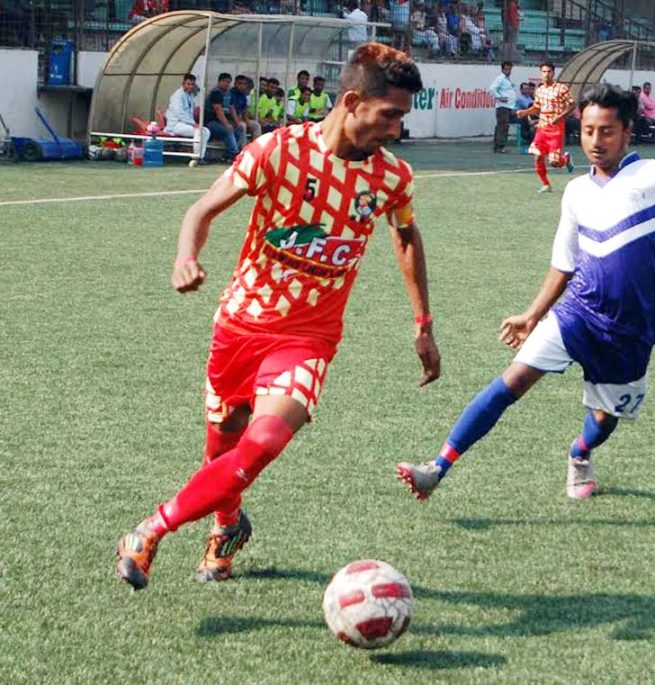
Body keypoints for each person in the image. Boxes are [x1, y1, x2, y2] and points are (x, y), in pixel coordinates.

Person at [115, 42, 441, 591]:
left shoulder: (392, 178)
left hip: (309, 336)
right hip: (240, 324)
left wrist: (424, 325)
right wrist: (186, 256)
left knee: (263, 441)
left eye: (402, 117)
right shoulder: (278, 151)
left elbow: (405, 238)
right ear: (353, 101)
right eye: (390, 114)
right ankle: (227, 527)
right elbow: (202, 209)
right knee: (224, 445)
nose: (396, 128)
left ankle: (151, 529)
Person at [397, 83, 655, 502]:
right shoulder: (576, 191)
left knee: (605, 416)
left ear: (627, 131)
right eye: (588, 130)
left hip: (629, 327)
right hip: (578, 311)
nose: (595, 141)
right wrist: (532, 315)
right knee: (511, 381)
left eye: (606, 131)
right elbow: (564, 263)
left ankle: (580, 452)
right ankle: (437, 467)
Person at [516, 62, 575, 193]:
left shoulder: (561, 89)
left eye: (549, 72)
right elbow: (537, 108)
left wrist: (560, 117)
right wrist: (525, 112)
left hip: (556, 130)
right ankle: (546, 184)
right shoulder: (540, 90)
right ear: (540, 73)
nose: (546, 74)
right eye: (544, 72)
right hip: (542, 129)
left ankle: (565, 160)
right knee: (537, 156)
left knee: (554, 162)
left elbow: (572, 105)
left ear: (553, 73)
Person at [164, 73, 211, 160]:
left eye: (192, 84)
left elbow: (198, 91)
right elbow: (180, 114)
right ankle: (196, 157)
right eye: (188, 84)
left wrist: (193, 124)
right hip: (176, 125)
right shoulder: (177, 96)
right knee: (199, 132)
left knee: (206, 131)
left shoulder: (190, 96)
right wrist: (193, 124)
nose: (190, 86)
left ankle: (201, 156)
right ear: (183, 84)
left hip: (185, 124)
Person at [204, 72, 246, 163]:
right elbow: (218, 110)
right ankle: (234, 154)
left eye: (228, 82)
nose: (226, 84)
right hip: (211, 123)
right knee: (228, 130)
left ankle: (228, 155)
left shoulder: (228, 93)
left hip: (221, 122)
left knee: (240, 128)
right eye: (224, 81)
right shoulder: (216, 92)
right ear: (219, 82)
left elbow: (232, 108)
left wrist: (237, 123)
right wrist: (227, 124)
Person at [488, 60, 516, 153]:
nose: (509, 71)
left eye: (510, 69)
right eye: (507, 69)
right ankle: (499, 146)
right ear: (503, 69)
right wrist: (499, 98)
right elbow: (492, 89)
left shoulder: (508, 79)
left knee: (503, 126)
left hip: (508, 106)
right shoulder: (500, 78)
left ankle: (500, 145)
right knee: (502, 126)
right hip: (502, 106)